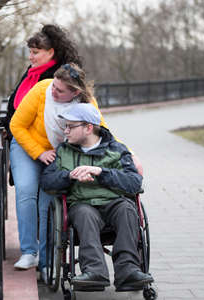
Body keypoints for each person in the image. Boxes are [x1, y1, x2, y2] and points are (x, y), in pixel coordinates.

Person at [9, 63, 110, 282]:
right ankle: (29, 252)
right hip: (27, 146)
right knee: (26, 191)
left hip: (58, 155)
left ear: (75, 93)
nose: (53, 91)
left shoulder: (86, 103)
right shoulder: (41, 90)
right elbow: (16, 125)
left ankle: (47, 263)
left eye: (60, 90)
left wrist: (129, 155)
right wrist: (38, 152)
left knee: (48, 203)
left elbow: (104, 132)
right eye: (54, 85)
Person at [40, 103, 154, 291]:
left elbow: (134, 183)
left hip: (115, 202)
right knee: (85, 214)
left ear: (88, 128)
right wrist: (69, 175)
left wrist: (101, 172)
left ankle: (128, 271)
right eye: (65, 126)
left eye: (70, 126)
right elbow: (47, 181)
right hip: (83, 204)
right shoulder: (63, 152)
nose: (65, 131)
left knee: (127, 209)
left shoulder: (117, 149)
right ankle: (95, 272)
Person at [0, 24, 82, 145]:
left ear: (50, 53)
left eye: (35, 52)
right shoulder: (33, 71)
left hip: (43, 144)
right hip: (21, 136)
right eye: (30, 52)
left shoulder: (59, 77)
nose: (30, 57)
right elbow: (15, 102)